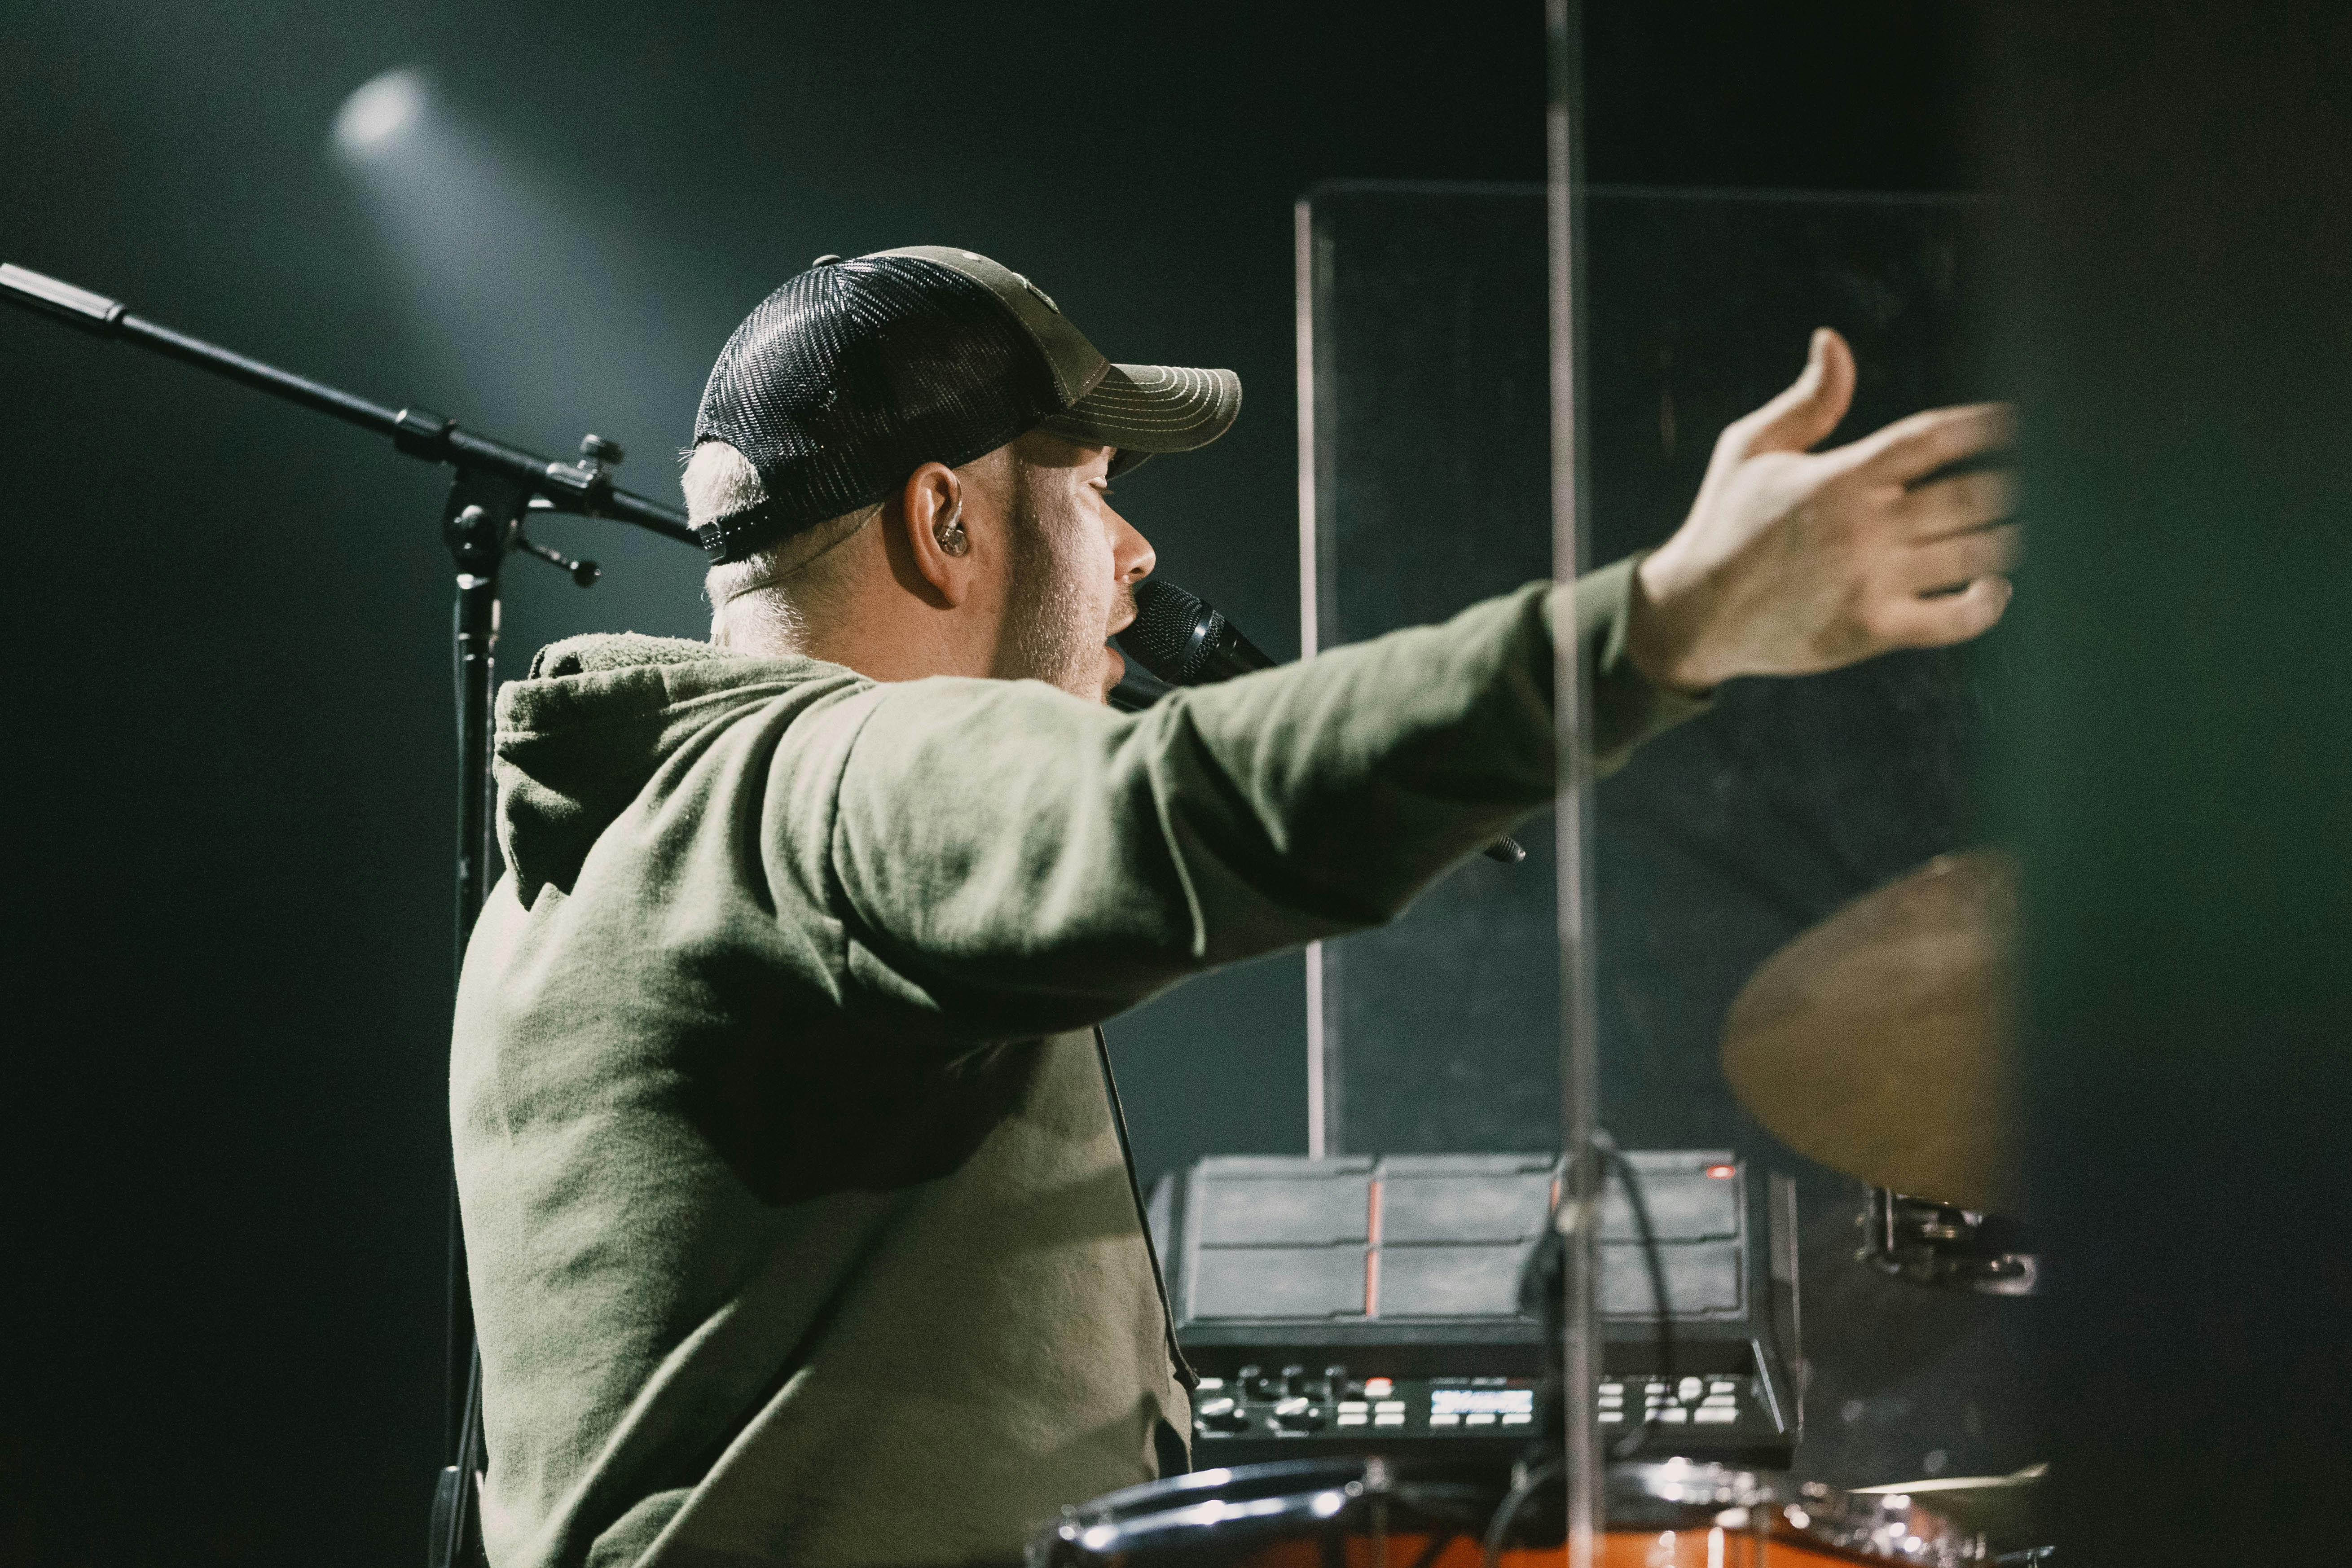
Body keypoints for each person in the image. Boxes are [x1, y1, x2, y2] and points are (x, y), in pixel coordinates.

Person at [450, 246, 2016, 1568]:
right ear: (944, 522)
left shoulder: (609, 857)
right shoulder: (819, 790)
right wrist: (1669, 622)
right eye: (1094, 486)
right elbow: (1173, 805)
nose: (1137, 556)